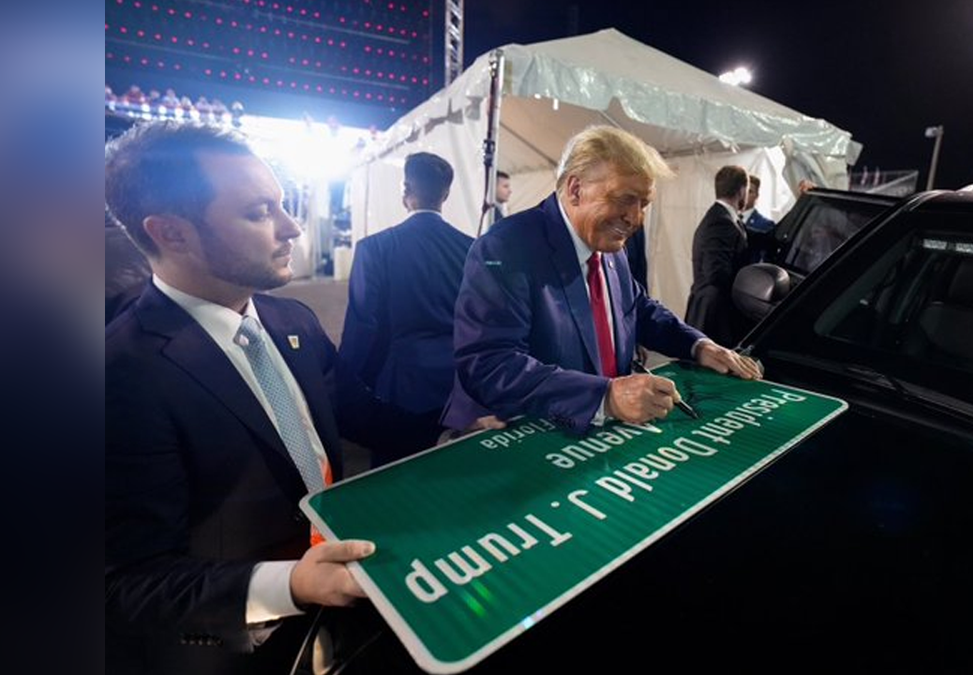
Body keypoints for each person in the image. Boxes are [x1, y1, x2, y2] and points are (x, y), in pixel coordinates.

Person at [105, 121, 418, 674]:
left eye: (282, 205)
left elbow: (363, 415)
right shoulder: (119, 373)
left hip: (341, 604)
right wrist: (293, 582)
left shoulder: (290, 317)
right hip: (233, 642)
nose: (292, 227)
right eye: (259, 212)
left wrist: (456, 431)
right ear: (171, 233)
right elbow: (130, 582)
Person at [444, 126, 761, 434]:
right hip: (524, 439)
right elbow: (489, 363)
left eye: (644, 204)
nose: (636, 218)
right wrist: (605, 397)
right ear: (575, 189)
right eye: (624, 199)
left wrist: (698, 345)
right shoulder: (506, 246)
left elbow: (638, 308)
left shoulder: (607, 243)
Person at [340, 152, 499, 466]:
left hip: (401, 382)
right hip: (460, 382)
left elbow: (363, 324)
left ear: (405, 191)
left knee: (399, 473)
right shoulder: (472, 247)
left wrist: (346, 384)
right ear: (446, 194)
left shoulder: (374, 248)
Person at [684, 164, 753, 347]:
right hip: (714, 318)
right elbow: (716, 272)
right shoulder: (721, 222)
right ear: (741, 190)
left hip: (712, 313)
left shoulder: (724, 218)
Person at [741, 174, 779, 264]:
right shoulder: (729, 219)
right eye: (743, 191)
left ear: (757, 196)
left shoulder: (766, 225)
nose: (745, 195)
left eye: (749, 191)